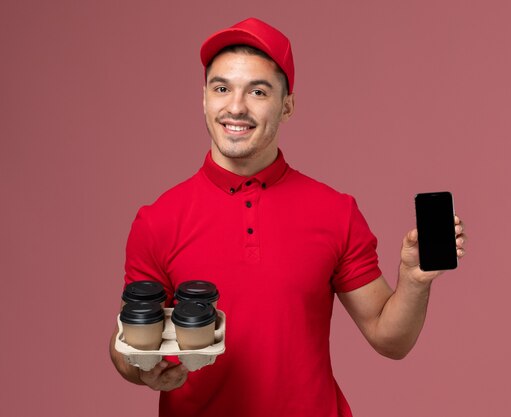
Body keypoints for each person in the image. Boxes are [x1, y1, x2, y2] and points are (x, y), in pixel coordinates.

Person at [109, 17, 467, 417]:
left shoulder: (335, 211)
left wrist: (415, 281)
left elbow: (390, 339)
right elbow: (127, 342)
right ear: (204, 97)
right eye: (222, 88)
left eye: (258, 91)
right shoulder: (158, 220)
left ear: (288, 105)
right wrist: (143, 371)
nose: (236, 107)